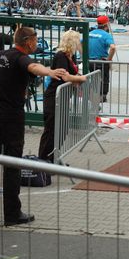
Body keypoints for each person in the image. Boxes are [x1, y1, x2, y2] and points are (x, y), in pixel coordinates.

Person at [0, 27, 68, 226]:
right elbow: (33, 68)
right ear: (28, 41)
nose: (37, 44)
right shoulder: (21, 58)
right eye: (36, 40)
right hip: (10, 119)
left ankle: (12, 212)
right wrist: (50, 71)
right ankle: (12, 214)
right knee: (13, 165)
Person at [38, 30, 87, 162]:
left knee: (62, 129)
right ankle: (44, 159)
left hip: (63, 97)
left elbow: (70, 74)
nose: (79, 44)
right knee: (51, 129)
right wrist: (80, 78)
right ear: (72, 41)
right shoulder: (61, 56)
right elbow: (64, 76)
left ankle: (54, 157)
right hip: (54, 96)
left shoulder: (71, 56)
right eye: (78, 41)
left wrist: (76, 79)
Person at [89, 16, 116, 103]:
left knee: (93, 78)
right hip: (101, 61)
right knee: (104, 79)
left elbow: (79, 43)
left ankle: (92, 95)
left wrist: (84, 55)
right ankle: (102, 97)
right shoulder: (106, 35)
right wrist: (109, 59)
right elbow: (113, 47)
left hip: (90, 61)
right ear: (106, 25)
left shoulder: (90, 33)